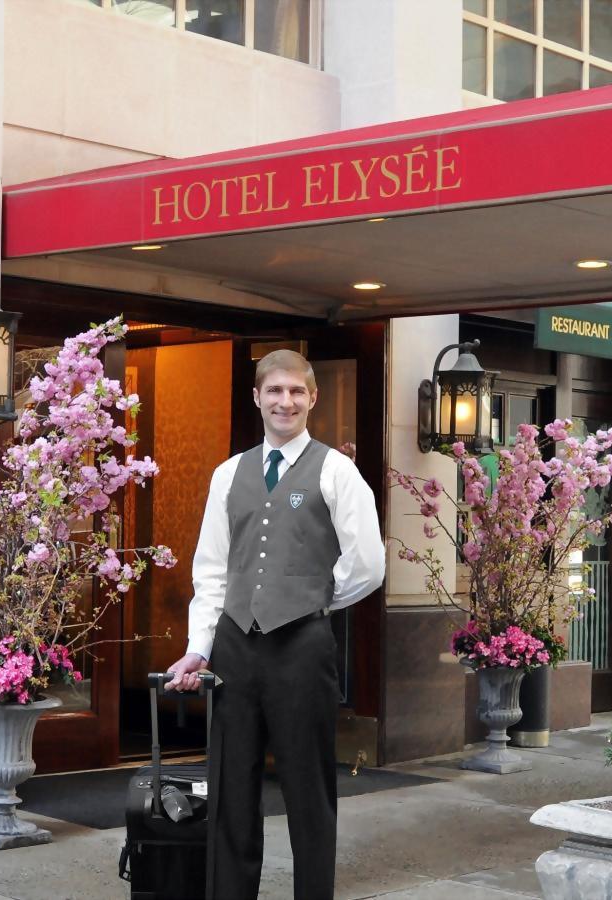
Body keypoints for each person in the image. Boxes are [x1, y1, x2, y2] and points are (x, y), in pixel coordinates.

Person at [164, 349, 384, 900]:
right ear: (257, 398)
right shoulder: (227, 473)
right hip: (236, 647)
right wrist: (200, 648)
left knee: (308, 791)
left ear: (312, 398)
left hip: (302, 648)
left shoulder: (336, 470)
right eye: (275, 391)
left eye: (296, 392)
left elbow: (368, 564)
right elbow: (212, 570)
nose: (286, 401)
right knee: (231, 789)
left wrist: (316, 602)